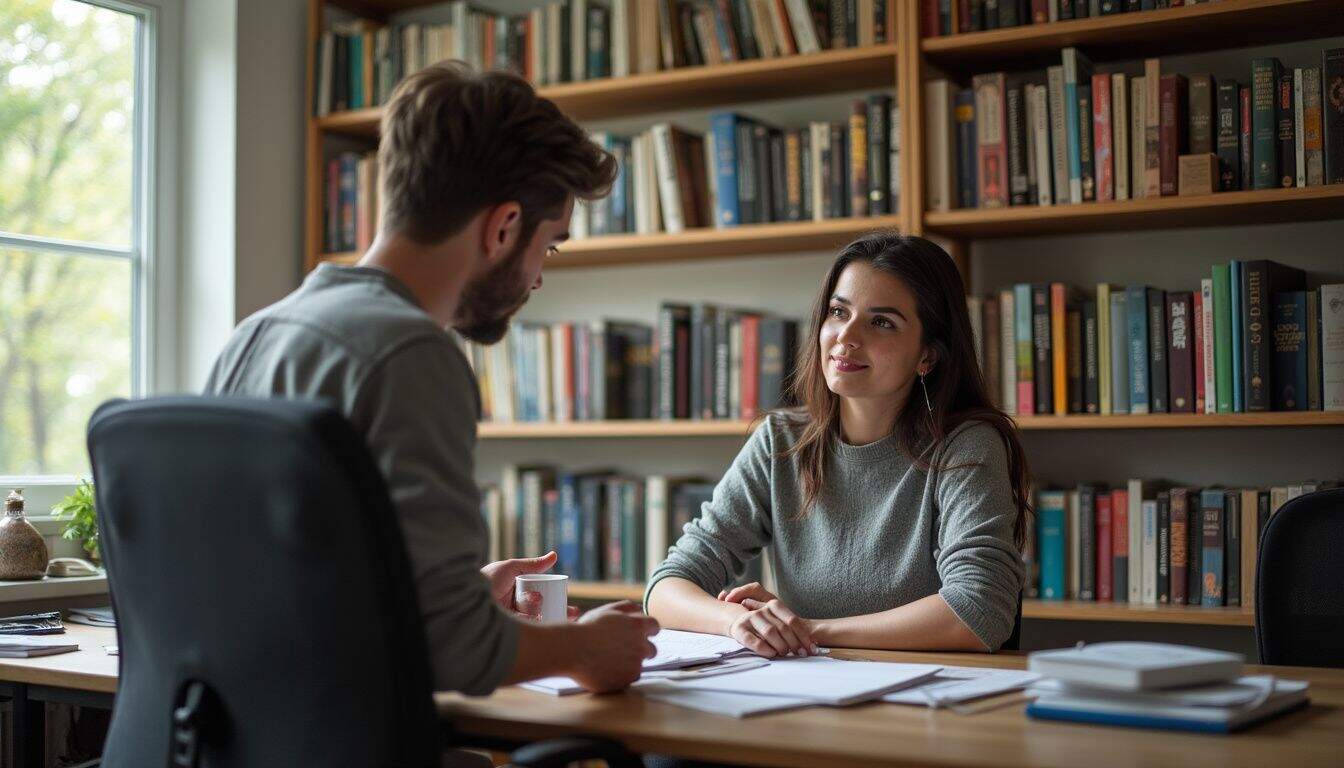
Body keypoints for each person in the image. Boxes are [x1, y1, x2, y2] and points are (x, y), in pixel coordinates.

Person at [205, 62, 658, 696]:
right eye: (548, 246)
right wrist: (585, 648)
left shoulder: (254, 336)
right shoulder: (409, 354)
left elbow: (294, 600)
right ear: (503, 229)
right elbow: (453, 652)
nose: (537, 280)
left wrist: (465, 595)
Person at [645, 232, 1031, 657]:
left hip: (928, 708)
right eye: (838, 312)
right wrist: (740, 622)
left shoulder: (966, 447)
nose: (846, 337)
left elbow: (979, 611)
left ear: (927, 356)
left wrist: (807, 630)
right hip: (809, 697)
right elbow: (667, 586)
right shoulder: (780, 441)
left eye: (881, 322)